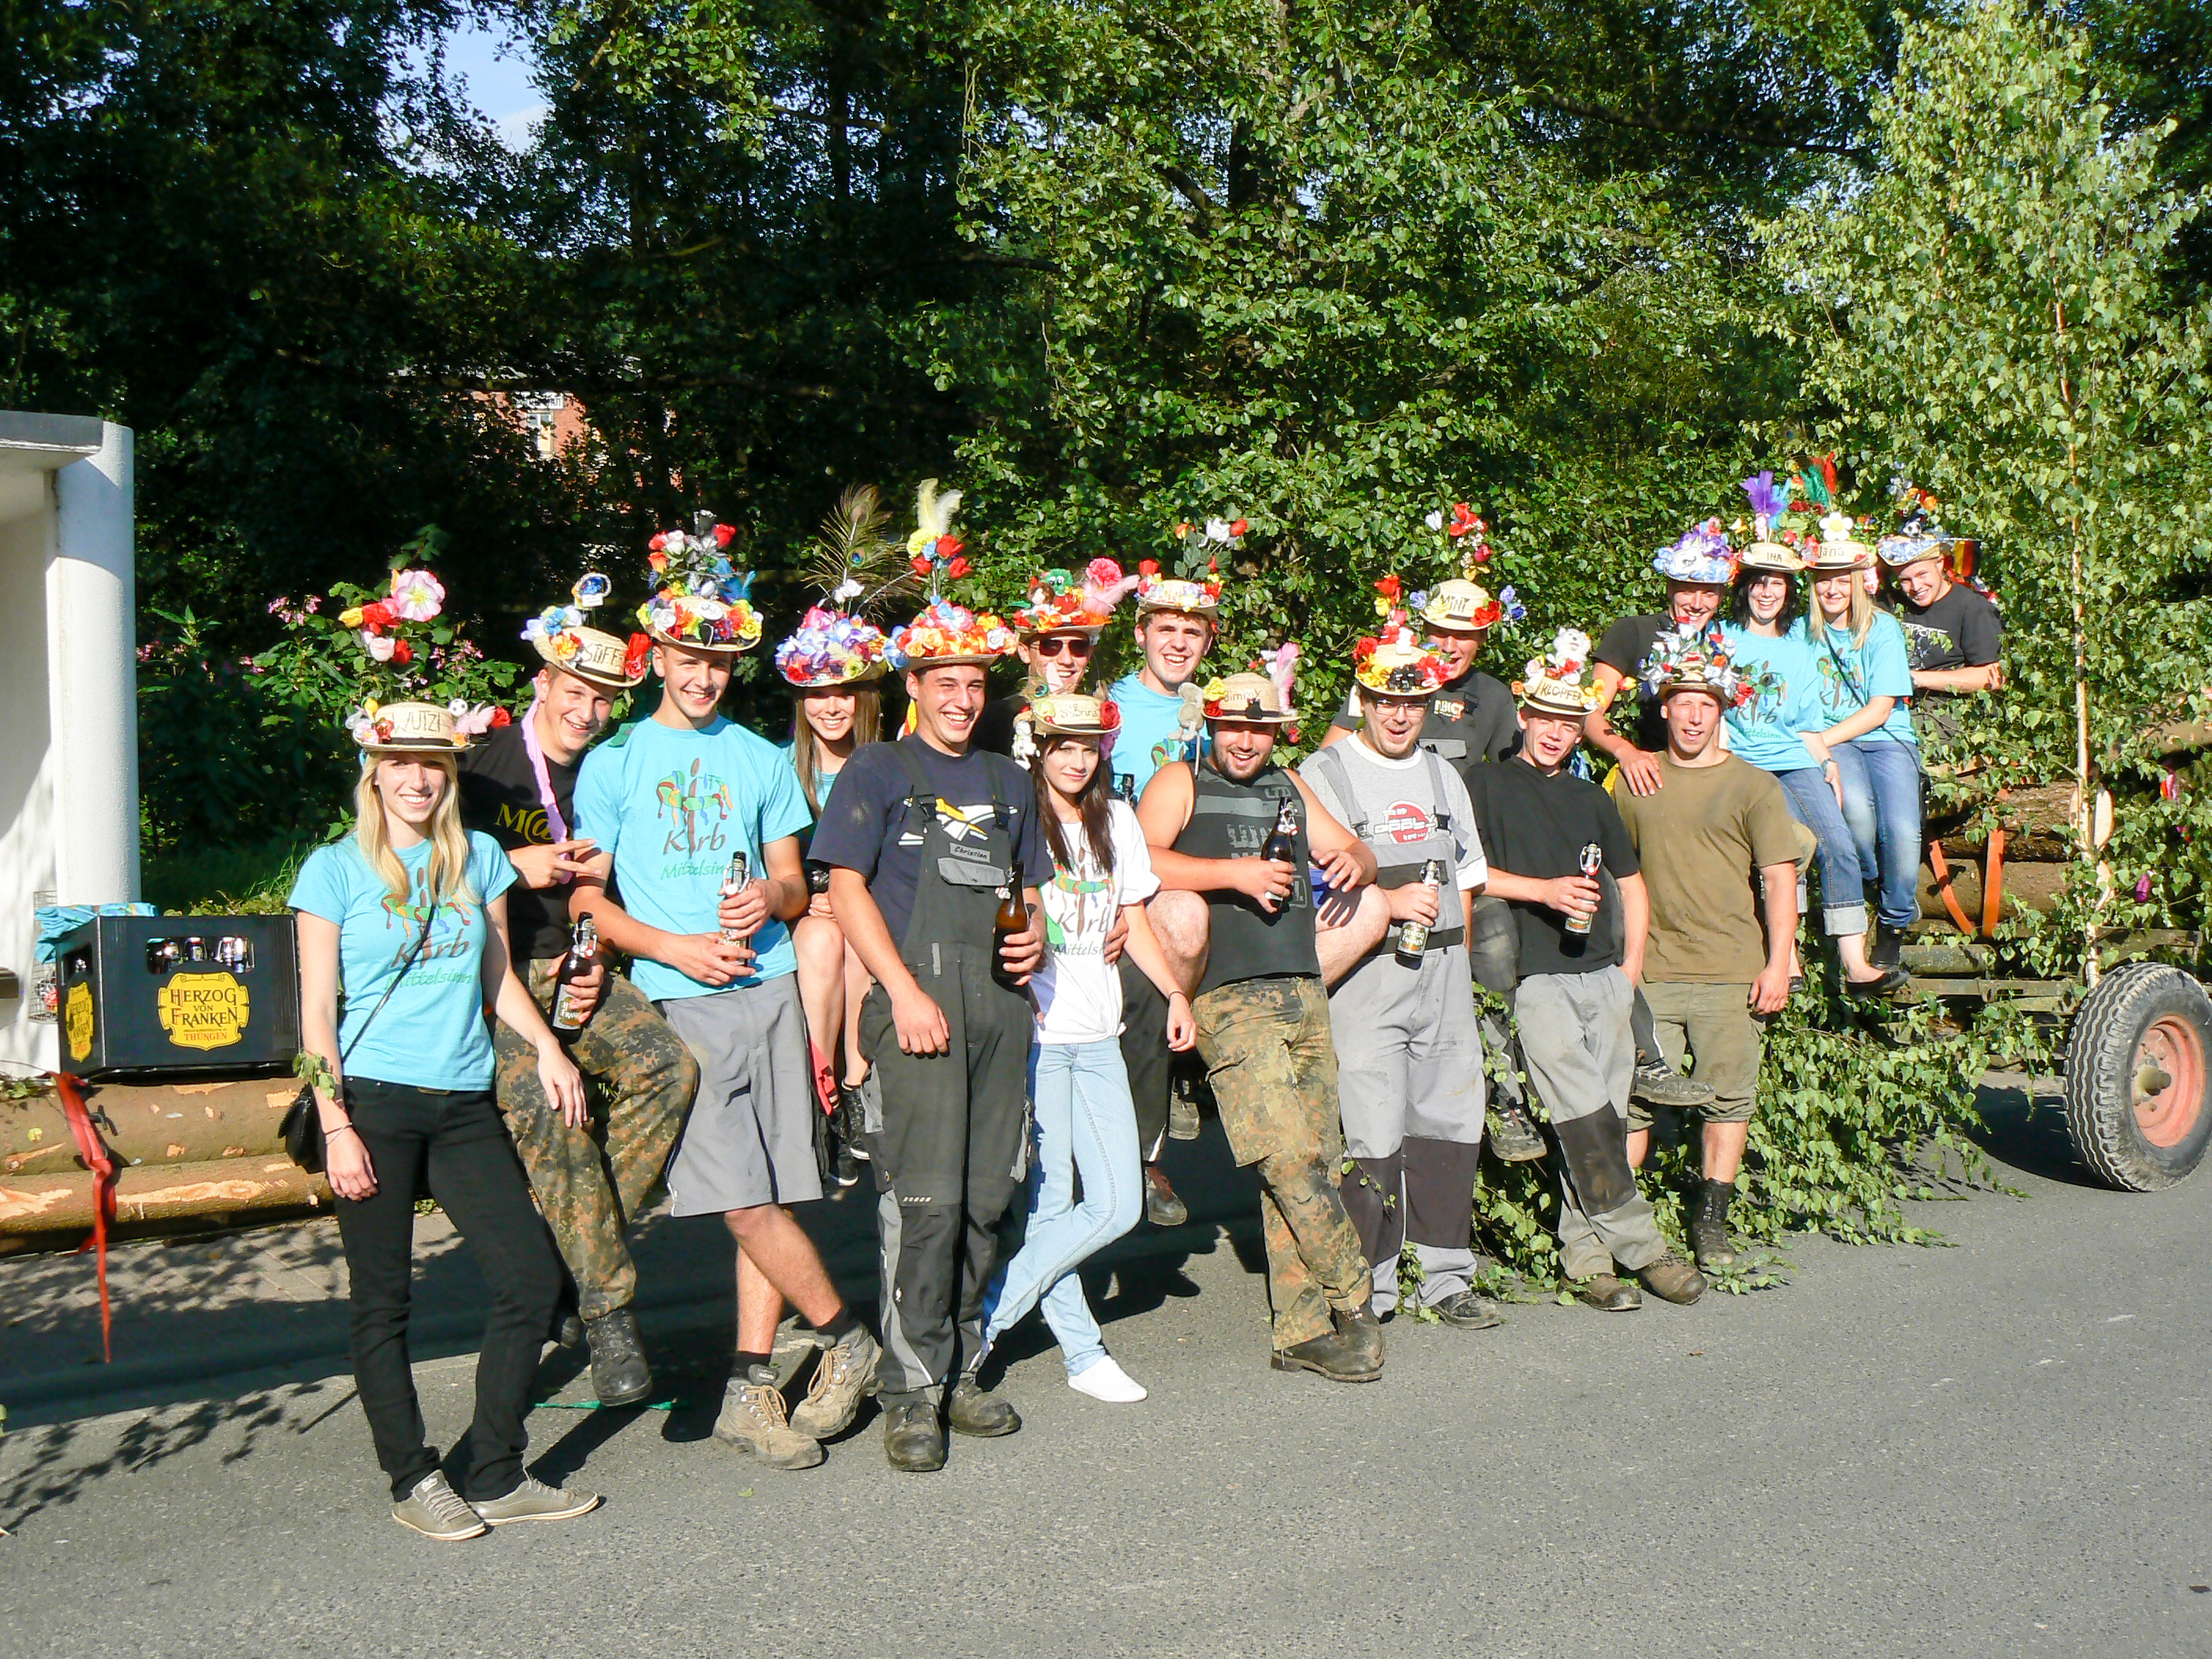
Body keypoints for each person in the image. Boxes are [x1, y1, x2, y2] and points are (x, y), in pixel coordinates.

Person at [572, 521, 878, 1472]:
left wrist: (769, 899)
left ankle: (749, 1390)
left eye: (717, 661)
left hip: (774, 985)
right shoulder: (615, 760)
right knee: (739, 1202)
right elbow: (589, 897)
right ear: (659, 654)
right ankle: (846, 1338)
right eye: (688, 657)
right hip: (679, 996)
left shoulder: (753, 757)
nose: (703, 676)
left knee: (775, 1192)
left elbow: (796, 880)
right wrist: (670, 947)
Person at [294, 683, 600, 1540]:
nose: (417, 780)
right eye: (400, 765)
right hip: (375, 1105)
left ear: (448, 773)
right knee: (383, 1301)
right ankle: (412, 1476)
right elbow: (317, 1012)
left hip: (464, 1100)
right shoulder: (333, 869)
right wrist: (336, 1125)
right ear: (375, 772)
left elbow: (496, 974)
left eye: (431, 765)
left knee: (531, 1278)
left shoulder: (479, 858)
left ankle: (494, 1468)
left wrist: (546, 1046)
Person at [809, 589, 1051, 1473]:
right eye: (943, 682)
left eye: (972, 684)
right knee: (923, 1206)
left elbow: (1031, 901)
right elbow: (843, 892)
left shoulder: (1007, 782)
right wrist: (902, 993)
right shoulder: (875, 771)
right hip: (915, 1010)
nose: (959, 699)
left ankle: (960, 1368)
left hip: (998, 1012)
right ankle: (910, 1393)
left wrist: (1035, 940)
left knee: (990, 1199)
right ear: (915, 684)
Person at [459, 580, 701, 1408]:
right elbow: (424, 874)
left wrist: (601, 948)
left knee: (669, 1070)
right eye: (575, 693)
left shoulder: (610, 772)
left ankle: (571, 1259)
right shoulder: (480, 771)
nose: (587, 712)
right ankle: (604, 1314)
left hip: (585, 965)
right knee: (547, 1101)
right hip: (498, 975)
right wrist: (504, 865)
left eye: (602, 700)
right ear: (541, 684)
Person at [1137, 671, 1389, 1380]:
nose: (1245, 740)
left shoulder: (1287, 784)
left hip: (1304, 989)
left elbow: (1360, 853)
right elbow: (1139, 861)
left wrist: (1354, 859)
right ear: (1210, 724)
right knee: (1283, 1154)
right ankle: (1356, 1302)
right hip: (1229, 994)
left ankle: (1303, 1332)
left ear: (1278, 731)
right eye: (1232, 726)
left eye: (1260, 728)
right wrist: (1235, 875)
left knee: (1312, 1159)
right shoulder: (1178, 780)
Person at [1463, 630, 1707, 1311]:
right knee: (1581, 1109)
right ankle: (1645, 1248)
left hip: (1603, 975)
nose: (1555, 732)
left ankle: (1588, 1259)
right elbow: (1467, 877)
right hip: (1533, 978)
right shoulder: (1481, 783)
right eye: (1544, 718)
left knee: (1597, 1117)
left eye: (1569, 723)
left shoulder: (1591, 796)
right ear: (1524, 717)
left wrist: (1630, 969)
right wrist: (1542, 891)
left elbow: (1632, 885)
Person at [982, 692, 1196, 1403]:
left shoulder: (1116, 819)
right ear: (1038, 749)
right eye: (1062, 747)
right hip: (1039, 1035)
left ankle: (985, 1317)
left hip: (1100, 1034)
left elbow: (1131, 915)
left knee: (1116, 1204)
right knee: (1051, 1206)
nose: (1075, 760)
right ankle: (1081, 1353)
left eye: (1087, 748)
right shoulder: (1017, 821)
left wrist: (1172, 992)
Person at [1298, 625, 1500, 1328]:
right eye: (1383, 700)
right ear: (1361, 697)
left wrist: (1464, 972)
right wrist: (1382, 907)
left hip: (1443, 972)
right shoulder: (1323, 773)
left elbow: (1467, 880)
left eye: (1412, 703)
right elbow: (1304, 893)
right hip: (1366, 977)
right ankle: (1371, 1288)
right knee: (1372, 1135)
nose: (1397, 714)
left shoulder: (1445, 773)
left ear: (1431, 704)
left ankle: (1446, 1279)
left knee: (1449, 1124)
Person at [1613, 628, 1802, 1270]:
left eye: (1707, 704)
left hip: (1731, 971)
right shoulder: (1634, 779)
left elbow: (1780, 877)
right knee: (1634, 1099)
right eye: (1683, 701)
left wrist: (1779, 962)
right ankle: (1625, 1227)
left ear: (1722, 710)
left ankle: (1710, 1220)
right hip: (1654, 969)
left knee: (1728, 1096)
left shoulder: (1753, 786)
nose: (1695, 715)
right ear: (1663, 706)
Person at [1720, 491, 1906, 998]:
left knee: (1839, 843)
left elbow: (1808, 720)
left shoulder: (1800, 644)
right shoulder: (1723, 639)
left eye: (1776, 584)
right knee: (1785, 848)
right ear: (1746, 589)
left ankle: (1855, 961)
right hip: (1745, 765)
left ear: (1788, 592)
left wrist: (1826, 762)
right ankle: (1790, 953)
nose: (1766, 594)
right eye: (1759, 583)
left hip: (1793, 759)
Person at [1105, 553, 1229, 1228]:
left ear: (1208, 641)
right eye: (1167, 629)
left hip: (1207, 876)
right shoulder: (1110, 709)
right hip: (1137, 885)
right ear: (1142, 634)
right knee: (1179, 917)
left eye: (1194, 631)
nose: (1179, 642)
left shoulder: (1219, 713)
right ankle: (1150, 1140)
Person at [774, 599, 891, 1183]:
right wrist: (805, 896)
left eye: (843, 691)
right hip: (804, 906)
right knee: (823, 937)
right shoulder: (778, 767)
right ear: (801, 703)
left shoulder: (887, 764)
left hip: (865, 901)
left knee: (849, 932)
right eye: (817, 694)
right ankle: (824, 1094)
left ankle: (854, 1083)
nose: (831, 706)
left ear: (863, 697)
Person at [1793, 512, 1922, 971]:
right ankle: (1869, 882)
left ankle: (1893, 921)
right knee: (1857, 814)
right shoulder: (1802, 631)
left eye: (1841, 581)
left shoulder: (1882, 628)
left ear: (1857, 582)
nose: (1832, 590)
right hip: (1839, 743)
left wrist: (1818, 739)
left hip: (1886, 739)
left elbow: (1881, 709)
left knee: (1903, 832)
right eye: (1823, 581)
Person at [1879, 492, 2002, 749]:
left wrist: (1915, 679)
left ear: (1939, 564)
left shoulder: (1971, 607)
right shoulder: (1893, 602)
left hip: (1949, 712)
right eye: (1905, 580)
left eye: (1922, 574)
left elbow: (1991, 677)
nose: (1916, 587)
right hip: (1893, 705)